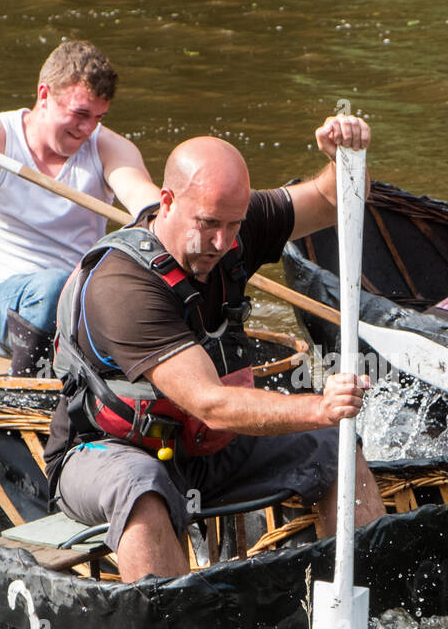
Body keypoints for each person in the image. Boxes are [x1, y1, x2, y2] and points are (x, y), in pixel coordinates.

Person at [43, 115, 385, 583]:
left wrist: (344, 157)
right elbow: (211, 403)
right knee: (143, 487)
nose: (222, 243)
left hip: (204, 450)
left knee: (332, 448)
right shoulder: (122, 286)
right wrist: (321, 406)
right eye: (207, 225)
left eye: (233, 225)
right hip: (105, 454)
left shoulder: (234, 228)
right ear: (166, 202)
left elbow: (333, 199)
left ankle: (366, 599)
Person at [0, 40, 159, 375]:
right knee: (51, 289)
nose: (87, 129)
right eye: (79, 114)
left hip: (75, 304)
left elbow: (143, 197)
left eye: (98, 117)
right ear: (44, 95)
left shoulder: (108, 147)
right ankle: (25, 395)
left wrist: (170, 217)